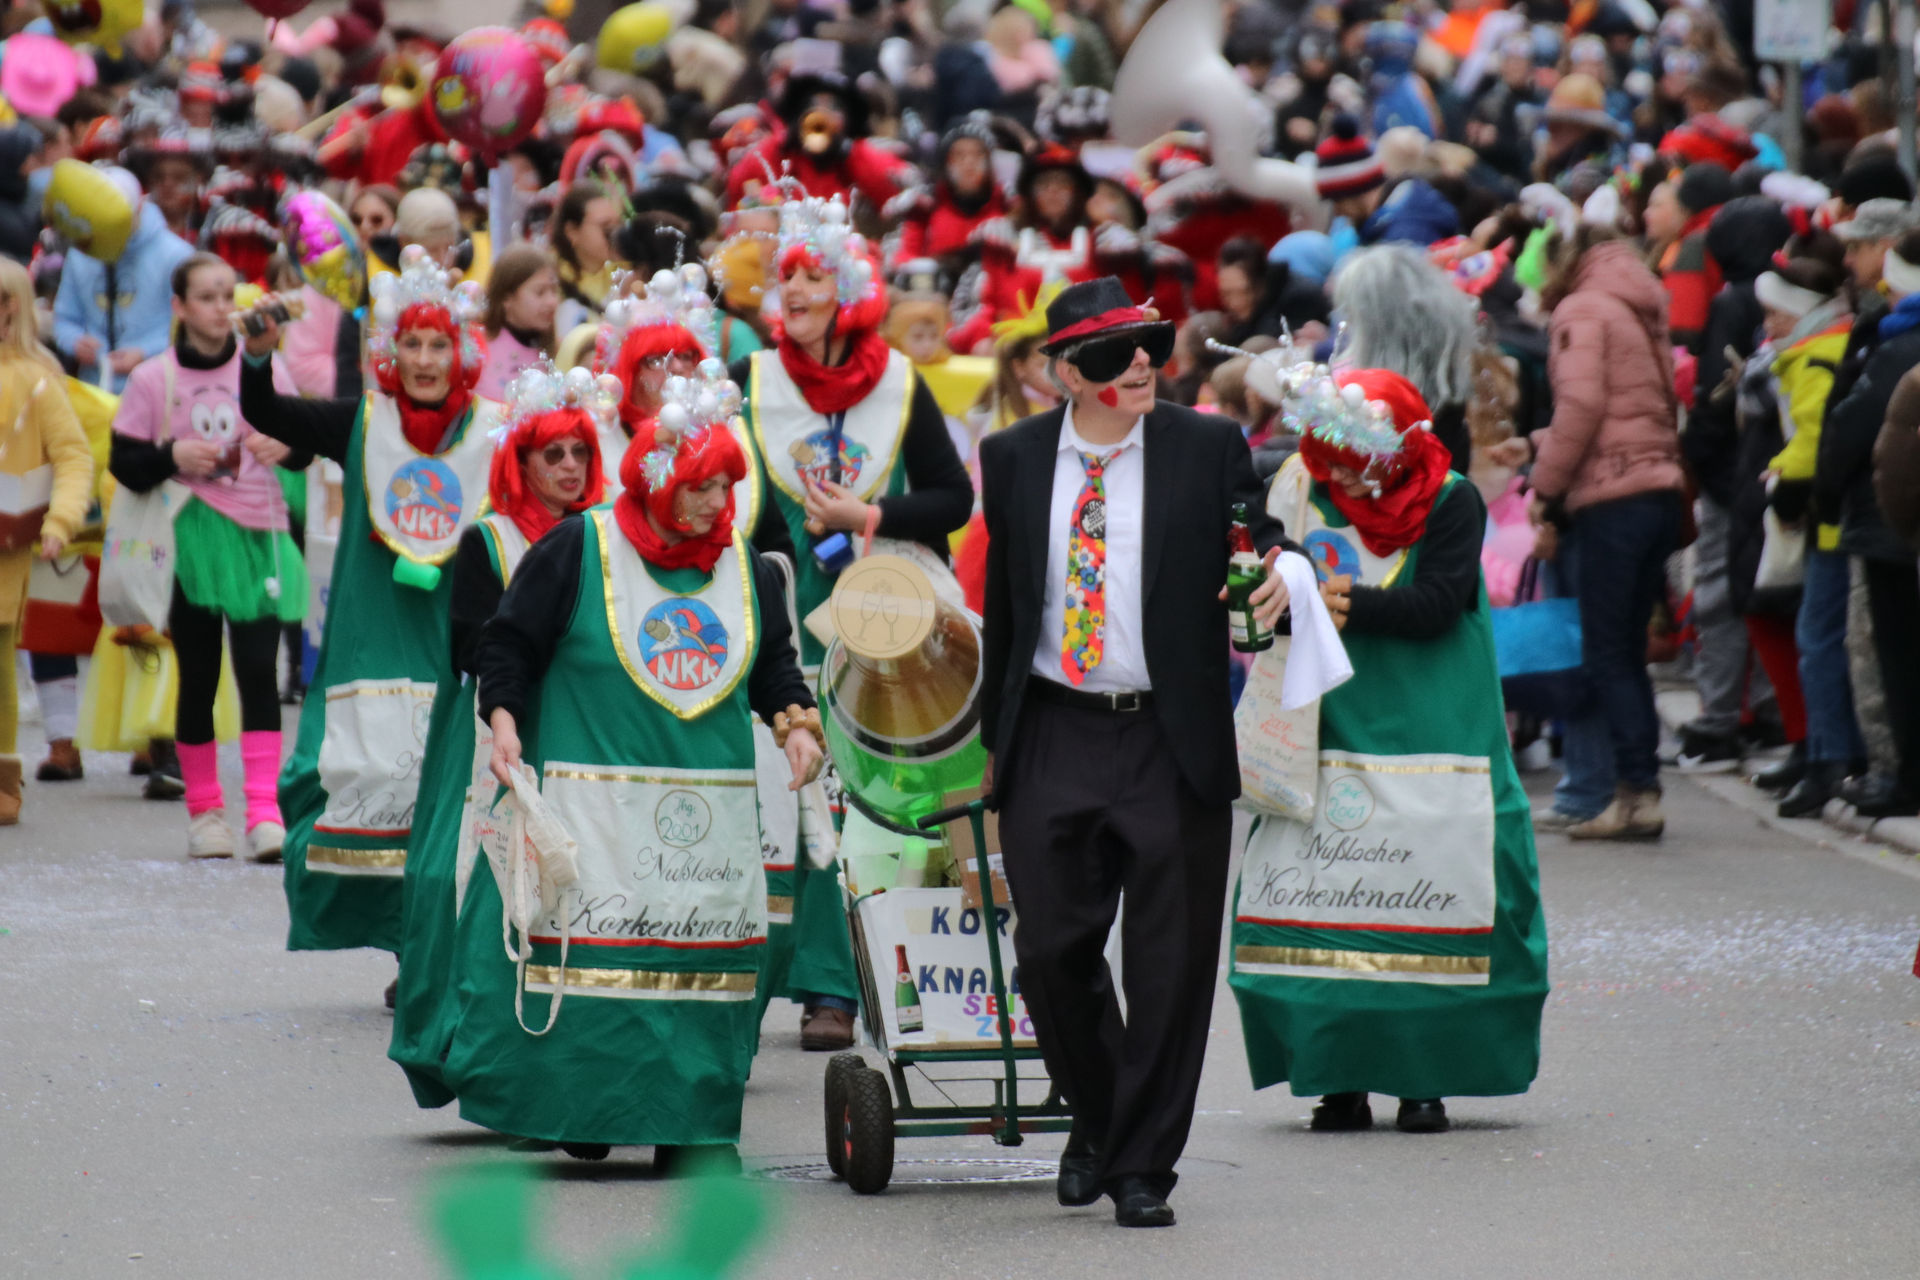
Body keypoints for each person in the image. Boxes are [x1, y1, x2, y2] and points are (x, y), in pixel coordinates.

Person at [444, 367, 819, 1168]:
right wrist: (502, 722)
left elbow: (774, 666)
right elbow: (508, 643)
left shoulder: (745, 566)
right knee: (596, 969)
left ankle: (697, 1126)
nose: (716, 504)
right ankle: (585, 1109)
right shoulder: (579, 548)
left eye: (725, 487)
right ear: (656, 482)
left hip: (708, 815)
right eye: (698, 488)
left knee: (704, 973)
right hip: (597, 808)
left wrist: (795, 724)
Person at [977, 276, 1291, 1227]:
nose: (1144, 361)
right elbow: (1006, 606)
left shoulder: (1207, 446)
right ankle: (1105, 1118)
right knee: (1051, 953)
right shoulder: (1012, 458)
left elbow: (1262, 539)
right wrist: (994, 744)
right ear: (1066, 374)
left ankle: (1141, 1164)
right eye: (1117, 352)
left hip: (1170, 730)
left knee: (1171, 964)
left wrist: (1282, 575)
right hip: (1052, 725)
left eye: (1152, 340)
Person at [1230, 362, 1549, 1138]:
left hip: (1434, 720)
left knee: (1440, 887)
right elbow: (1260, 561)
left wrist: (1345, 604)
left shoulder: (1451, 499)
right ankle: (1335, 1076)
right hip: (1326, 718)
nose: (1338, 475)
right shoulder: (1295, 488)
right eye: (1328, 457)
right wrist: (1266, 575)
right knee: (1322, 902)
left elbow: (1438, 604)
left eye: (1354, 461)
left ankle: (1423, 1077)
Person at [728, 190, 972, 1052]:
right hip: (779, 618)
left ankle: (849, 984)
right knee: (785, 800)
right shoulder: (750, 382)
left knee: (860, 808)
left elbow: (954, 498)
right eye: (785, 276)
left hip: (878, 624)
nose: (792, 290)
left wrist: (866, 515)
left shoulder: (900, 384)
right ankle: (768, 979)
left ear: (851, 293)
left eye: (812, 276)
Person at [237, 247, 502, 996]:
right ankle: (401, 943)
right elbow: (270, 414)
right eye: (411, 343)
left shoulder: (496, 430)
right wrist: (257, 358)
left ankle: (427, 950)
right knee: (346, 789)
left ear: (462, 352)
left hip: (456, 646)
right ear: (391, 350)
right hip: (371, 647)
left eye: (439, 344)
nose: (424, 360)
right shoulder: (361, 420)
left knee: (450, 805)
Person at [388, 360, 607, 1109]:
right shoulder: (489, 539)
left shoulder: (601, 538)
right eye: (554, 454)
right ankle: (463, 1040)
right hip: (493, 734)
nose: (571, 467)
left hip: (577, 734)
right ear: (521, 461)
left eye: (581, 452)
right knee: (470, 883)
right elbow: (469, 648)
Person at [108, 254, 309, 860]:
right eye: (207, 297)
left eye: (228, 295)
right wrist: (172, 456)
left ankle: (265, 813)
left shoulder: (264, 367)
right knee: (198, 674)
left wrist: (285, 444)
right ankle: (205, 814)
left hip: (259, 536)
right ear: (180, 306)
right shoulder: (154, 378)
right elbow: (123, 463)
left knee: (259, 670)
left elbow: (305, 444)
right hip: (188, 538)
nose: (222, 308)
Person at [1498, 225, 1686, 838]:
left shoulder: (1582, 309)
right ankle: (1636, 790)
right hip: (1656, 490)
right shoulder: (1634, 305)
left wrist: (1545, 490)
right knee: (1626, 652)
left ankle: (1636, 796)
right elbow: (1630, 413)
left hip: (1612, 500)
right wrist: (1535, 444)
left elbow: (1580, 407)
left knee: (1608, 653)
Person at [1749, 251, 1854, 816]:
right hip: (1837, 517)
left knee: (1818, 641)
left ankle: (1828, 759)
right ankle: (1823, 752)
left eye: (1775, 313)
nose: (1767, 325)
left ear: (1800, 311)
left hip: (1829, 522)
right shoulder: (1828, 346)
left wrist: (1783, 483)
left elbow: (1813, 442)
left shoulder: (1815, 356)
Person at [0, 259, 92, 824]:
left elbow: (73, 456)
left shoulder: (35, 379)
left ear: (11, 308)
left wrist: (60, 521)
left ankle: (4, 780)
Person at [1330, 244, 1479, 472]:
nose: (1348, 324)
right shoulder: (1449, 371)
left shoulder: (1378, 398)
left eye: (1351, 314)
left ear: (1375, 324)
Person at [53, 167, 195, 393]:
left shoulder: (176, 255)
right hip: (95, 388)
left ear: (140, 207)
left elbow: (190, 325)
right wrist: (74, 341)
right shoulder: (81, 253)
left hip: (158, 387)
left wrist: (145, 352)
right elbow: (64, 318)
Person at [476, 246, 560, 402]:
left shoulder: (556, 350)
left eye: (554, 291)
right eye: (540, 292)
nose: (552, 302)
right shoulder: (477, 350)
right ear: (506, 299)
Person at [551, 181, 624, 334]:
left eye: (619, 224)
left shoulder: (626, 273)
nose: (615, 234)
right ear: (572, 232)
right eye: (606, 227)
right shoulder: (552, 281)